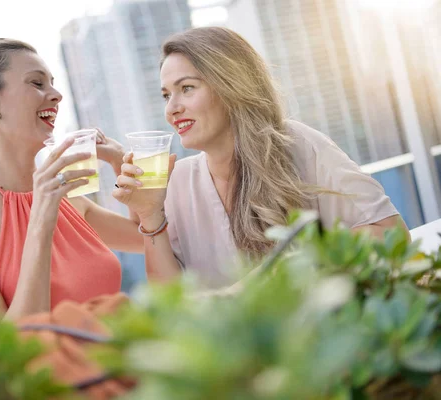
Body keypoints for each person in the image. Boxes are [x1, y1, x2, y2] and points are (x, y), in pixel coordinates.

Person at [113, 27, 409, 290]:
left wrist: (276, 273)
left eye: (186, 88)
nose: (172, 108)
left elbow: (389, 233)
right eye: (166, 95)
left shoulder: (298, 144)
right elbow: (171, 303)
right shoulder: (175, 182)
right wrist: (150, 214)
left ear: (230, 86)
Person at [0, 36, 142, 320]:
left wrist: (119, 163)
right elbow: (8, 348)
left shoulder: (66, 196)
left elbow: (148, 239)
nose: (56, 95)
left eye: (52, 83)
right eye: (37, 83)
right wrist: (40, 221)